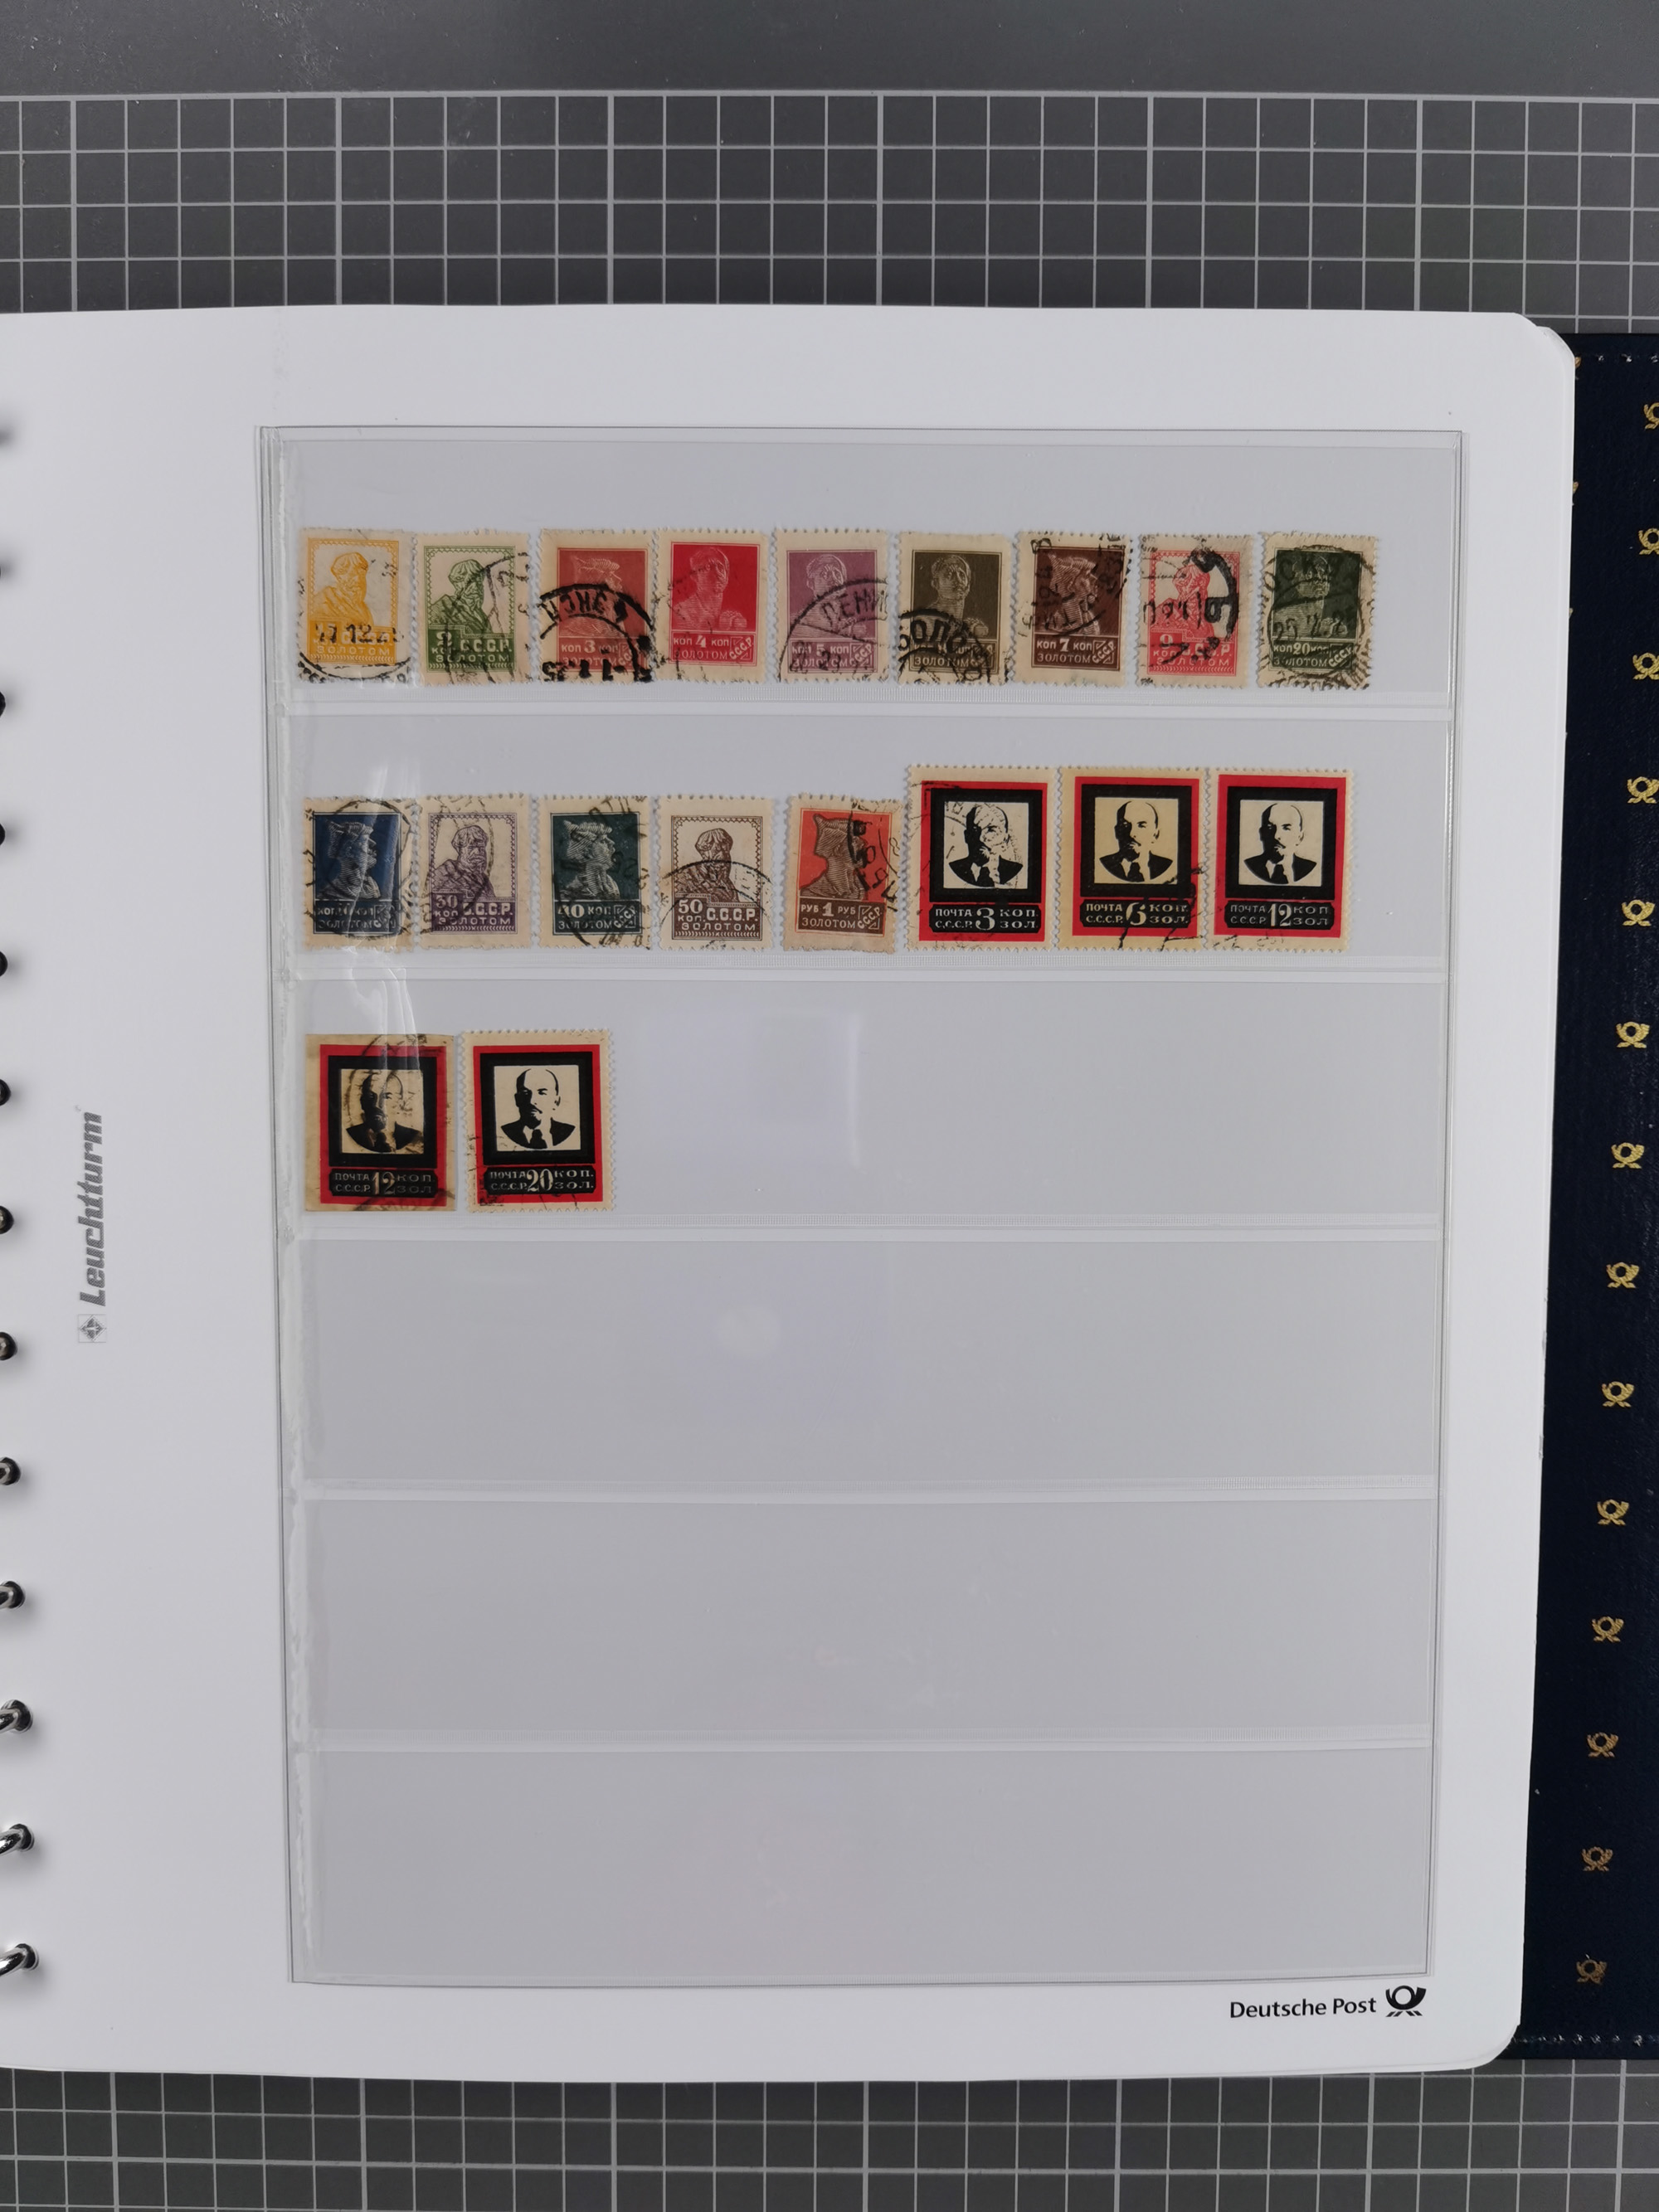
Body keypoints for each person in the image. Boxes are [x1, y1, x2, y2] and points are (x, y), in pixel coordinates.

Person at [427, 819, 497, 916]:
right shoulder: (443, 873)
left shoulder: (485, 881)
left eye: (481, 847)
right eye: (471, 847)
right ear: (460, 850)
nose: (478, 852)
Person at [800, 812, 873, 903]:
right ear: (837, 849)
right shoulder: (811, 895)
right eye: (854, 840)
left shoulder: (860, 891)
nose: (863, 843)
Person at [946, 801, 1024, 887]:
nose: (981, 838)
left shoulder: (1014, 869)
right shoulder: (955, 868)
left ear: (1005, 838)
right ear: (966, 836)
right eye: (975, 830)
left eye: (991, 830)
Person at [673, 546, 749, 632]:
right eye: (707, 568)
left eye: (720, 567)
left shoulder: (735, 613)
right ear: (695, 576)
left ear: (727, 576)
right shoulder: (681, 612)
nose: (717, 573)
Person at [346, 1068, 422, 1154]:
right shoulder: (352, 1135)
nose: (377, 1105)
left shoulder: (413, 1137)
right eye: (371, 1096)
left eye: (386, 1097)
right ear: (362, 1102)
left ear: (400, 1105)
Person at [1098, 797, 1173, 883]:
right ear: (1117, 832)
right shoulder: (1104, 864)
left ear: (1155, 835)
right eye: (1125, 825)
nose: (1132, 834)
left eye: (1141, 826)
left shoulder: (1166, 866)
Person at [499, 1066, 574, 1150]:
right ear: (517, 1099)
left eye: (542, 1093)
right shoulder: (503, 1133)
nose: (532, 1101)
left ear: (556, 1102)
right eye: (525, 1093)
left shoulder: (570, 1132)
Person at [1243, 801, 1318, 884]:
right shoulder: (1249, 866)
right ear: (1262, 833)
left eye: (1286, 828)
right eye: (1270, 828)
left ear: (1300, 837)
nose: (1276, 836)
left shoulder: (1311, 868)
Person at [924, 552, 990, 637]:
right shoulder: (925, 622)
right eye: (950, 575)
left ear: (968, 585)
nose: (958, 581)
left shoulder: (972, 626)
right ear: (936, 584)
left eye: (962, 575)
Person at [313, 548, 376, 634]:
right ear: (340, 577)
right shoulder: (324, 602)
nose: (358, 580)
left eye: (362, 575)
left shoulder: (365, 610)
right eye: (352, 575)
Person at [559, 819, 622, 902]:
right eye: (602, 841)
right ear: (586, 852)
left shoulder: (611, 885)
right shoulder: (568, 895)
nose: (612, 843)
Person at [322, 817, 382, 903]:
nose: (373, 851)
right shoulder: (332, 893)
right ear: (349, 851)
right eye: (366, 844)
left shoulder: (371, 885)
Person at [677, 824, 743, 900]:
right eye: (716, 851)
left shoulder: (727, 884)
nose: (723, 856)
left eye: (726, 852)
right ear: (704, 854)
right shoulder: (687, 876)